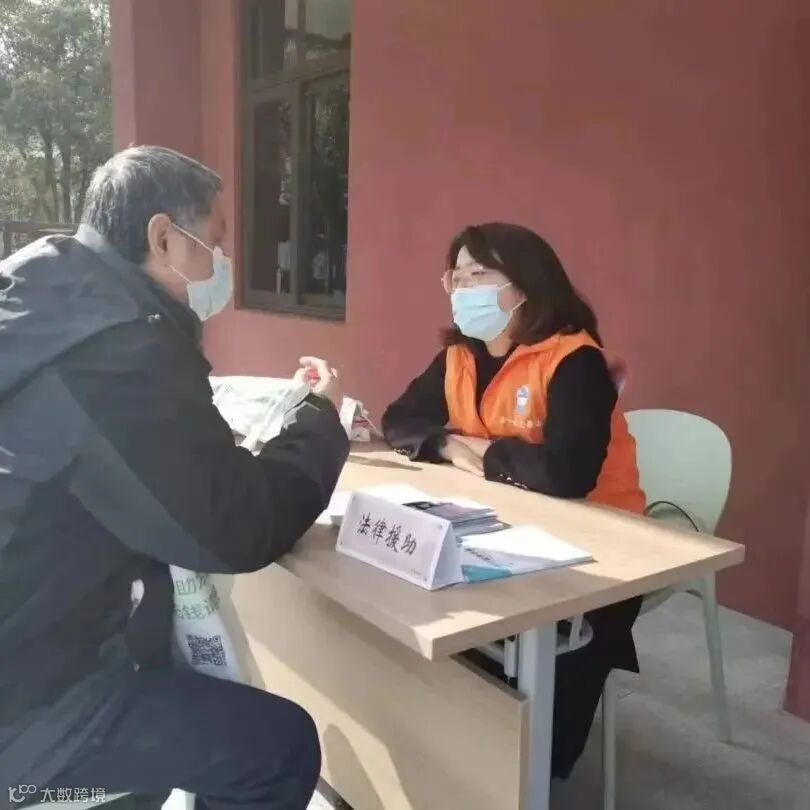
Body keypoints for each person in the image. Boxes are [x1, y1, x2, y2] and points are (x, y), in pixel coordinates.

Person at [0, 146, 349, 810]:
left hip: (37, 640)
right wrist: (320, 420)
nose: (224, 263)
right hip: (28, 702)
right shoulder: (117, 351)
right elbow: (238, 526)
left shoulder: (41, 301)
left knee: (158, 728)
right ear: (164, 238)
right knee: (275, 750)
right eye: (217, 241)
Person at [382, 222, 646, 779]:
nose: (464, 288)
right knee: (416, 596)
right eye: (457, 277)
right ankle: (456, 746)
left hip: (601, 545)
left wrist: (483, 453)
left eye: (480, 274)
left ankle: (524, 767)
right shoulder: (459, 356)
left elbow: (567, 473)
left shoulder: (574, 360)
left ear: (524, 286)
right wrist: (449, 445)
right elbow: (400, 420)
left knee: (529, 654)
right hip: (502, 525)